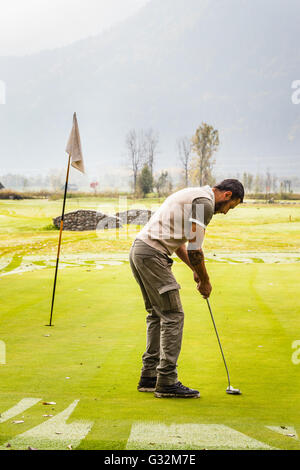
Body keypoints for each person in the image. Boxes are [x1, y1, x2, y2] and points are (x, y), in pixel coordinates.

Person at [129, 179, 244, 398]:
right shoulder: (205, 204)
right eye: (232, 206)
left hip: (140, 251)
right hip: (152, 254)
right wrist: (205, 279)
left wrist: (194, 270)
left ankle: (149, 376)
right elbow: (195, 248)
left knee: (157, 314)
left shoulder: (193, 194)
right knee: (173, 314)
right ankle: (167, 381)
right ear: (227, 195)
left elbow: (181, 242)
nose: (228, 212)